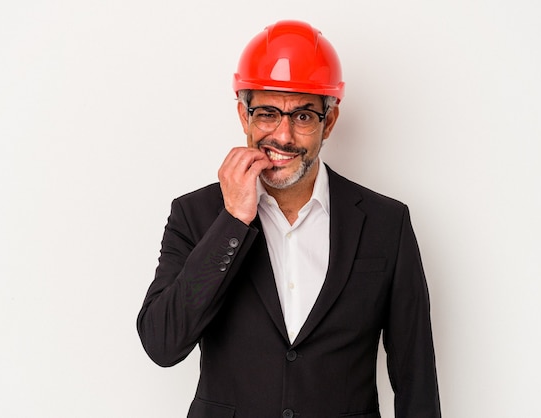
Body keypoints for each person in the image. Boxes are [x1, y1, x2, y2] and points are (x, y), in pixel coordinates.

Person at [137, 20, 441, 418]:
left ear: (328, 123)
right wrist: (232, 222)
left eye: (302, 117)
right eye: (266, 113)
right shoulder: (195, 215)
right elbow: (162, 343)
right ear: (244, 117)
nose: (283, 136)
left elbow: (415, 376)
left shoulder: (387, 223)